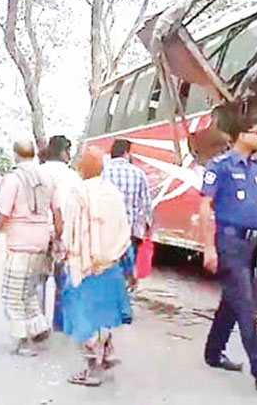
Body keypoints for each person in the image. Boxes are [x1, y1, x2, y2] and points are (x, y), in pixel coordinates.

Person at [199, 113, 257, 394]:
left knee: (232, 300)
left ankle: (213, 353)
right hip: (229, 242)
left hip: (250, 244)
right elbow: (205, 207)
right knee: (246, 305)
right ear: (241, 135)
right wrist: (208, 247)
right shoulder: (221, 166)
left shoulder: (255, 170)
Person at [60, 146, 133, 387]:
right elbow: (124, 232)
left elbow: (71, 232)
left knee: (83, 319)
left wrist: (65, 254)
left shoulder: (77, 193)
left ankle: (92, 370)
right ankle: (108, 353)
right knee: (103, 315)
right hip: (111, 265)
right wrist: (128, 267)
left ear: (81, 167)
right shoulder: (113, 193)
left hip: (84, 266)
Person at [0, 141, 60, 356]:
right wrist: (58, 238)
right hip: (42, 241)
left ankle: (24, 340)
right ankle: (38, 326)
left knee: (13, 294)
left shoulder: (13, 179)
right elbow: (57, 210)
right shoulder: (46, 178)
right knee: (28, 289)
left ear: (16, 155)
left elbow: (3, 213)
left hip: (20, 243)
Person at [40, 136, 83, 324]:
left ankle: (38, 322)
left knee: (39, 280)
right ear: (64, 152)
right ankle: (60, 321)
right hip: (64, 233)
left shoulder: (37, 173)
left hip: (39, 233)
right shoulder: (72, 176)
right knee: (63, 279)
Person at [101, 139, 152, 285]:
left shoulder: (104, 172)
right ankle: (126, 286)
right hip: (130, 230)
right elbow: (146, 204)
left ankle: (111, 291)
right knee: (127, 263)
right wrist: (148, 226)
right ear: (126, 153)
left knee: (109, 265)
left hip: (108, 229)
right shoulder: (138, 173)